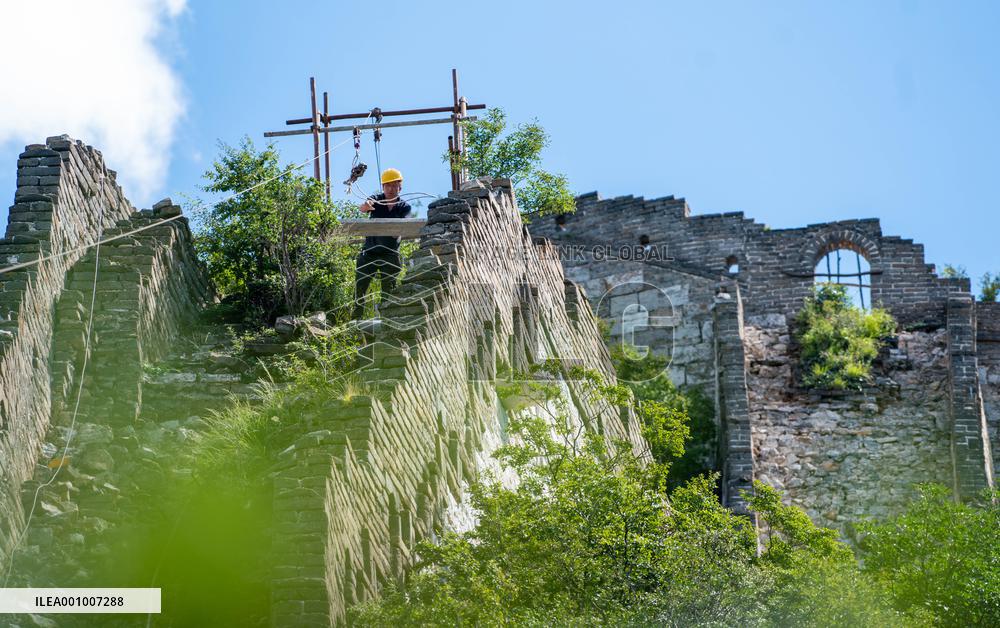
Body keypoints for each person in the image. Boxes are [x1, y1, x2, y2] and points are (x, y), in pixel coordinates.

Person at [353, 168, 411, 318]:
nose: (391, 189)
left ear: (400, 187)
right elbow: (364, 207)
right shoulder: (376, 200)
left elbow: (404, 225)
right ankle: (355, 323)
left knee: (388, 292)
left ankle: (387, 322)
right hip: (369, 254)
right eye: (387, 186)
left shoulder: (404, 207)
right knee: (360, 291)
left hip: (390, 255)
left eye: (394, 185)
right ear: (383, 187)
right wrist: (366, 206)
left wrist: (396, 229)